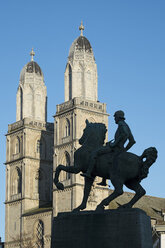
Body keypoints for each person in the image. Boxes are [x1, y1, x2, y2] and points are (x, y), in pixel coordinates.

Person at [81, 110, 136, 185]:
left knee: (95, 153)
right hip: (119, 148)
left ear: (118, 117)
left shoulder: (121, 125)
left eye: (115, 117)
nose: (114, 119)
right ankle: (103, 181)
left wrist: (114, 144)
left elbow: (124, 134)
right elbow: (132, 141)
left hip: (115, 148)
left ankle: (88, 172)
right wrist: (124, 149)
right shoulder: (126, 126)